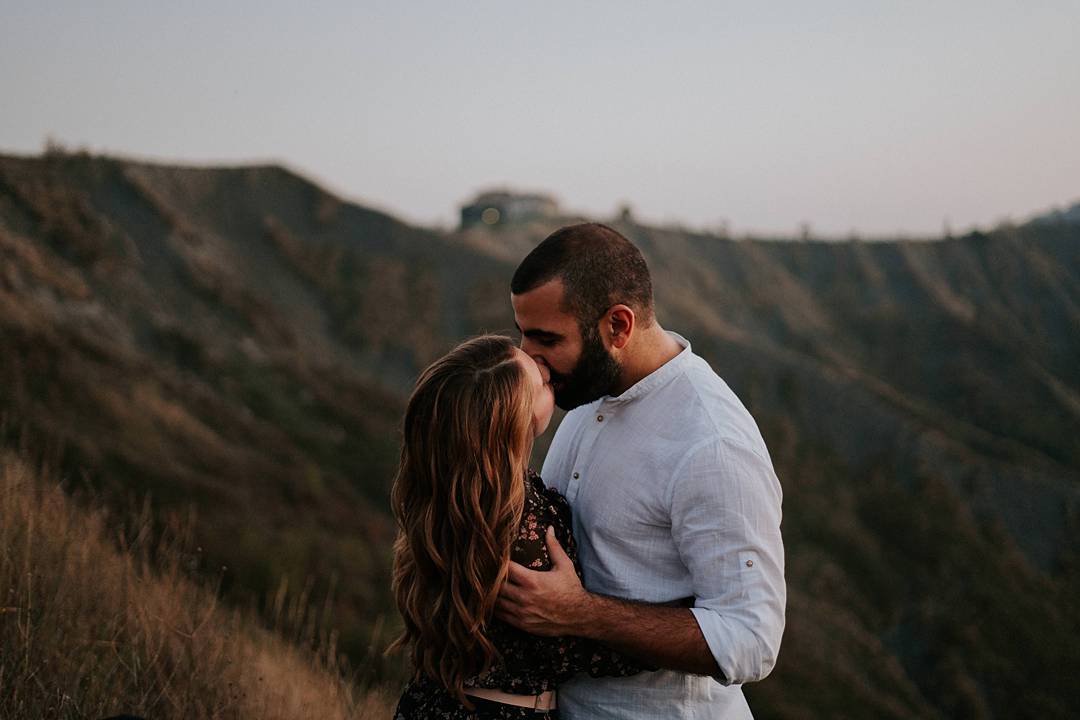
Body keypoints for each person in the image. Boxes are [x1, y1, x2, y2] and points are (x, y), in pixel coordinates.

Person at [497, 223, 786, 719]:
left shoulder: (713, 442)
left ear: (617, 326)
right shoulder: (584, 396)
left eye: (546, 338)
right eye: (523, 334)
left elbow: (750, 640)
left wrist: (580, 614)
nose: (528, 357)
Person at [389, 334, 646, 720]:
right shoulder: (520, 527)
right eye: (540, 384)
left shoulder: (447, 496)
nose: (546, 369)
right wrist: (687, 624)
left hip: (428, 702)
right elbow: (566, 651)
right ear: (514, 424)